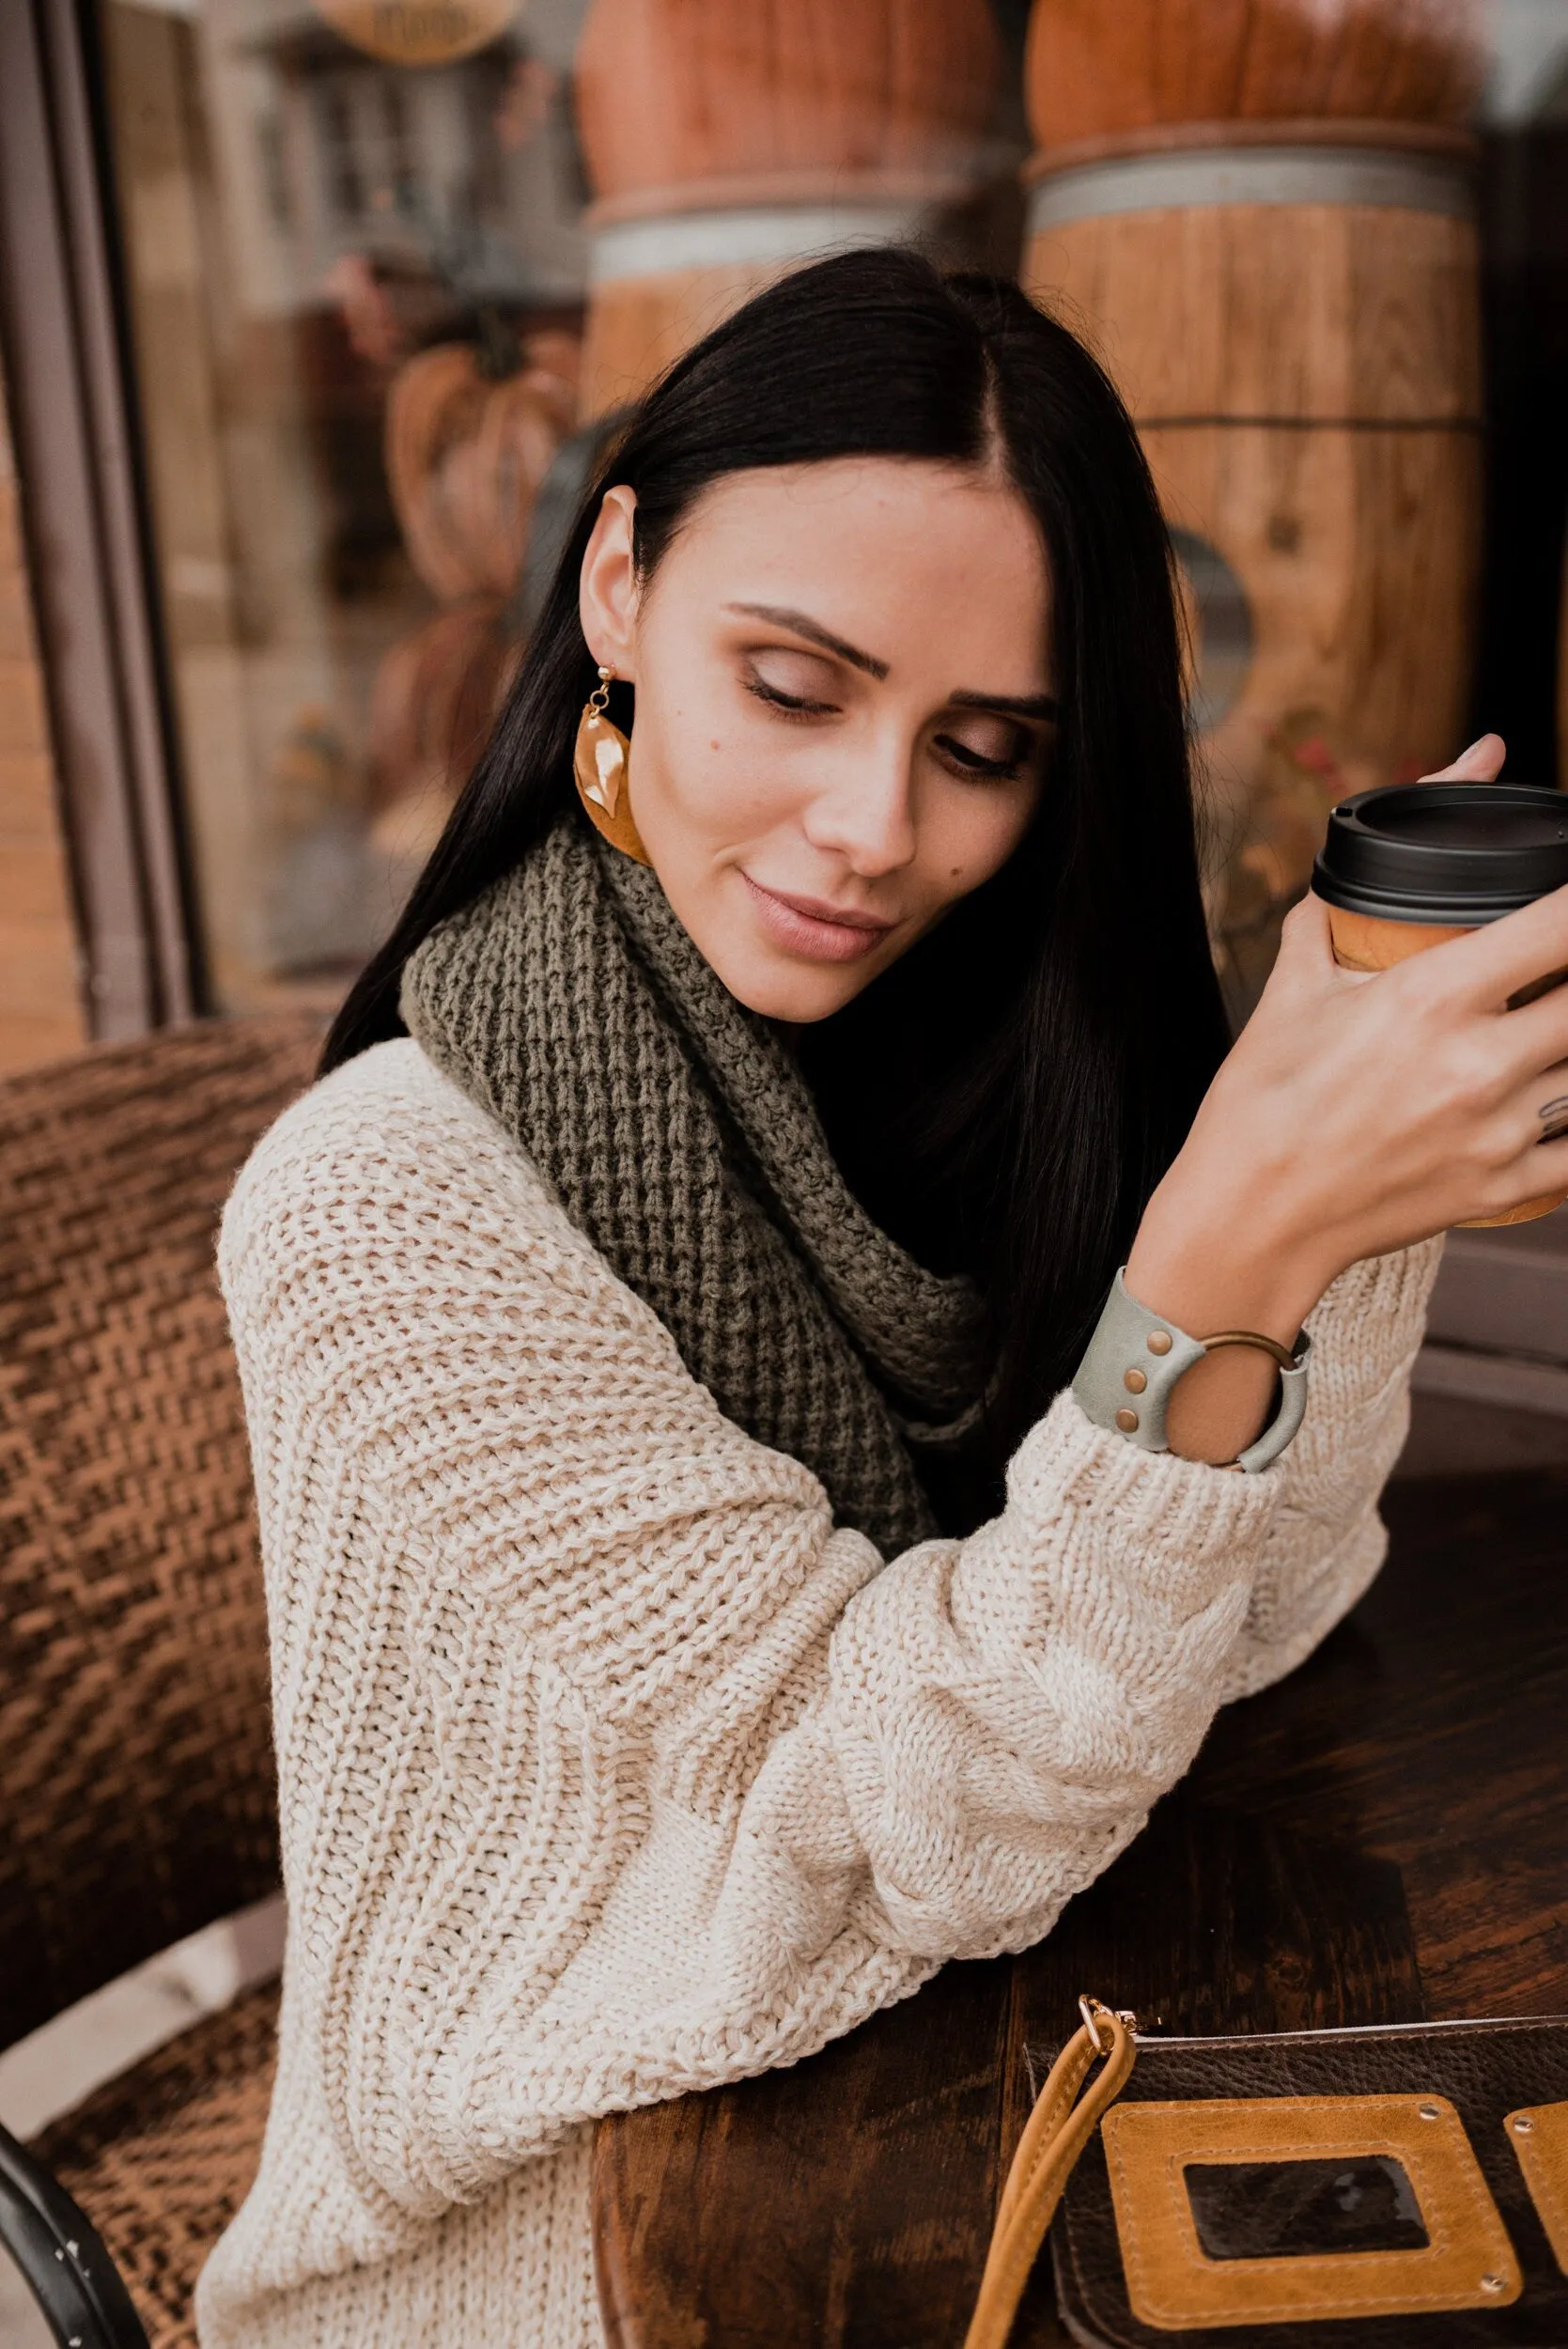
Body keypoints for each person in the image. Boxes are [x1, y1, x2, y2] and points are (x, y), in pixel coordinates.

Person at [196, 251, 1568, 2348]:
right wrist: (1232, 1247)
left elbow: (1245, 1620)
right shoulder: (384, 1208)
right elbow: (910, 1811)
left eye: (986, 743)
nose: (874, 830)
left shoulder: (969, 1046)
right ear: (623, 586)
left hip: (966, 2084)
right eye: (795, 683)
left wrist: (1340, 1159)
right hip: (563, 2235)